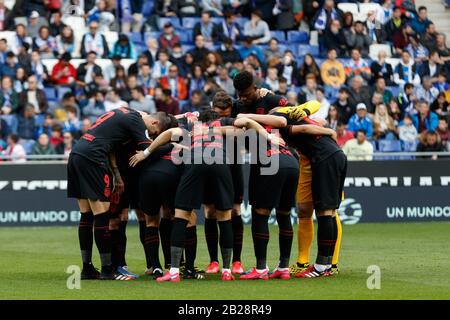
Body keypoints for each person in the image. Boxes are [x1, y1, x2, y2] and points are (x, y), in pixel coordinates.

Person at [67, 108, 177, 280]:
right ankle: (108, 270)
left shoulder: (123, 113)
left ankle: (87, 268)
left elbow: (111, 146)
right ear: (154, 122)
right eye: (154, 132)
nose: (152, 135)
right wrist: (172, 144)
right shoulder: (136, 121)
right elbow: (149, 150)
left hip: (77, 152)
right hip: (93, 157)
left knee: (86, 215)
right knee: (102, 214)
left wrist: (116, 174)